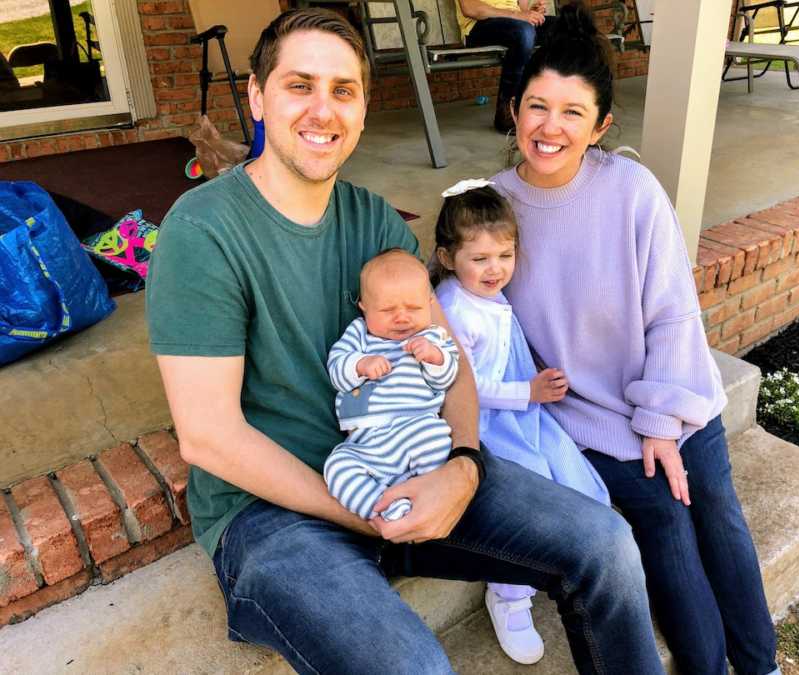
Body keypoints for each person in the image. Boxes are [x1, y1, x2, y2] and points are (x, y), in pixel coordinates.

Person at [146, 8, 664, 674]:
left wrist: (464, 465)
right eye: (299, 84)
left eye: (343, 90)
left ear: (363, 110)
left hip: (407, 466)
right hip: (272, 515)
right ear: (256, 97)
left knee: (607, 542)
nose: (322, 110)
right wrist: (365, 511)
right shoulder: (205, 230)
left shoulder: (375, 221)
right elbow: (209, 435)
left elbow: (454, 373)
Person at [490, 4, 781, 675]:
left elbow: (674, 314)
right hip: (589, 414)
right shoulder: (493, 208)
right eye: (537, 106)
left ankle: (759, 662)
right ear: (514, 109)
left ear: (601, 125)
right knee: (664, 518)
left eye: (572, 112)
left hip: (674, 388)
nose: (550, 127)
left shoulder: (630, 188)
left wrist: (659, 421)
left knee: (714, 506)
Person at [431, 181, 611, 665]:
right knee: (524, 504)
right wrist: (526, 391)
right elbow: (462, 385)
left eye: (505, 255)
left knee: (572, 479)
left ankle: (594, 559)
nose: (496, 270)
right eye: (481, 258)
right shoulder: (453, 309)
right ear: (448, 258)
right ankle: (510, 596)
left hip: (523, 415)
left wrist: (533, 389)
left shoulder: (486, 296)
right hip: (485, 424)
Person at [325, 250, 459, 521]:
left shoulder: (432, 336)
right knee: (336, 468)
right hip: (366, 441)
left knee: (435, 439)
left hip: (416, 425)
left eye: (414, 308)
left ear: (430, 302)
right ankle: (385, 508)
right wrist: (360, 365)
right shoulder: (359, 334)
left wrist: (434, 357)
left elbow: (447, 376)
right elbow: (336, 369)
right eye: (387, 310)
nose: (402, 318)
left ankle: (428, 499)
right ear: (364, 306)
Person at [455, 0, 553, 133]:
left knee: (568, 27)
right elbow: (470, 8)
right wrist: (517, 15)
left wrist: (531, 12)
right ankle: (506, 112)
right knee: (524, 32)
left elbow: (521, 9)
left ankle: (556, 103)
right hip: (478, 25)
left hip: (516, 24)